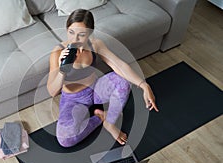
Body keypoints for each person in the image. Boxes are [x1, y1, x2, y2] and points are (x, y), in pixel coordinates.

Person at [47, 9, 159, 148]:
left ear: (89, 33)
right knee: (65, 140)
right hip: (73, 98)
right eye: (71, 32)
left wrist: (143, 85)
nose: (74, 40)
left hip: (95, 89)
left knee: (123, 82)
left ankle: (110, 122)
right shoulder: (58, 52)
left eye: (81, 35)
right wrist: (63, 70)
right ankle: (100, 118)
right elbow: (52, 91)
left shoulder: (95, 44)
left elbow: (119, 65)